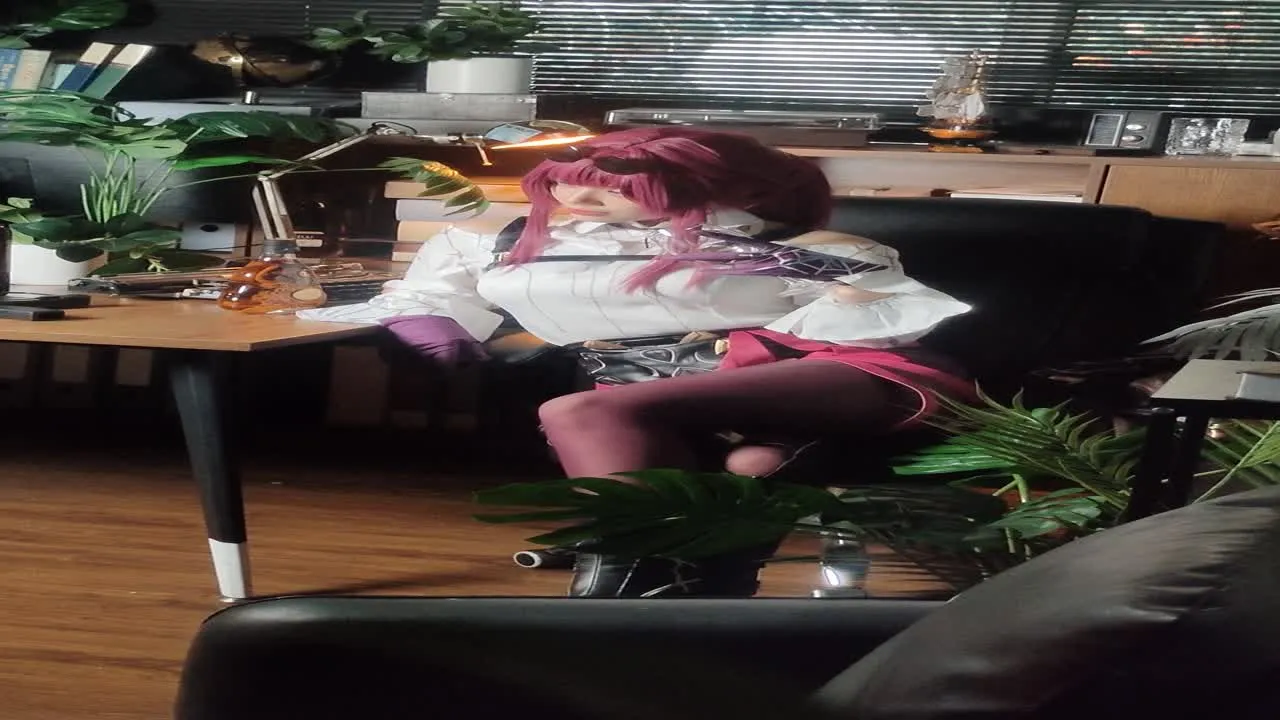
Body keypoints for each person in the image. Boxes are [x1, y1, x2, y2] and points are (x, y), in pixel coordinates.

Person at [300, 127, 974, 597]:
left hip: (830, 374)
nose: (580, 199)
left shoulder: (787, 243)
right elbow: (434, 285)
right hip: (655, 394)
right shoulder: (513, 240)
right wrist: (430, 320)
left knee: (577, 411)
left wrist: (819, 283)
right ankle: (695, 611)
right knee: (748, 468)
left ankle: (607, 606)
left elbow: (881, 317)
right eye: (568, 183)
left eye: (611, 189)